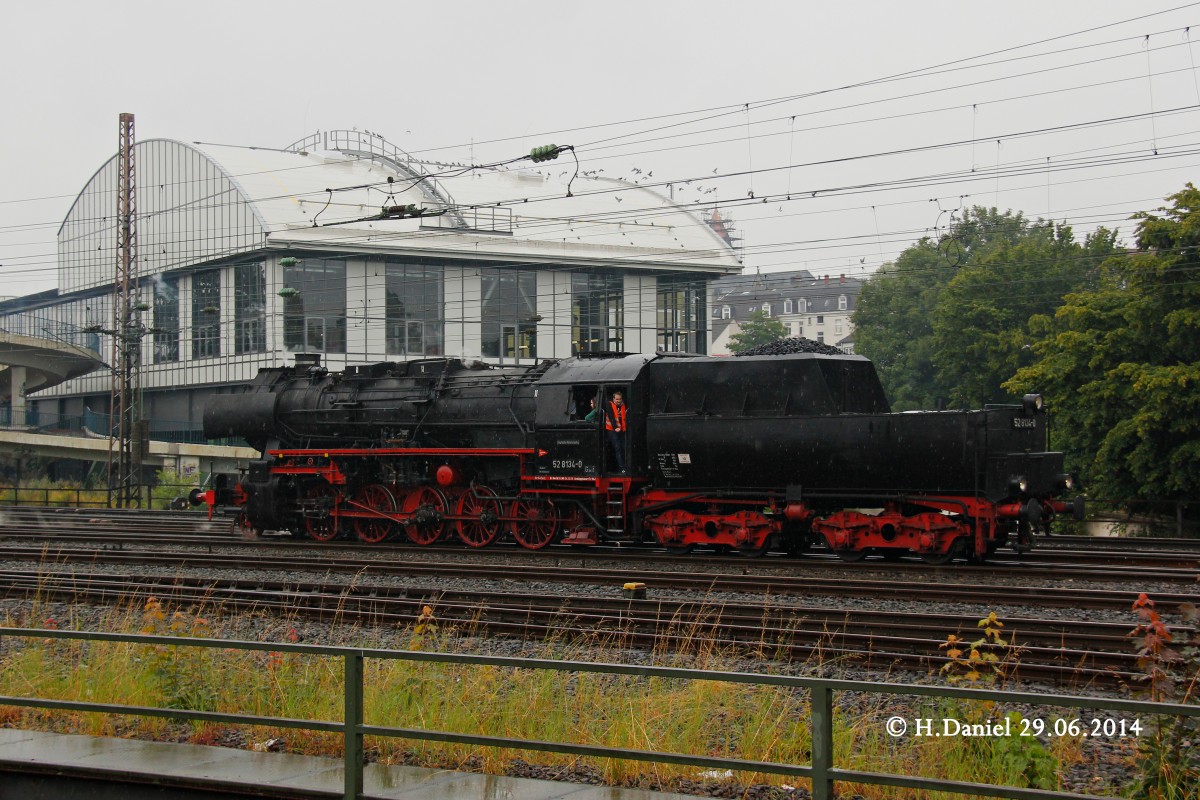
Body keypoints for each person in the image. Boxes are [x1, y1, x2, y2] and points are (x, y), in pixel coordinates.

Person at [604, 391, 627, 473]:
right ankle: (622, 468)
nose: (618, 401)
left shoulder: (623, 406)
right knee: (618, 448)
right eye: (617, 399)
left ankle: (625, 467)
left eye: (620, 399)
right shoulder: (609, 404)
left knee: (624, 448)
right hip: (611, 429)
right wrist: (615, 427)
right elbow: (611, 417)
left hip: (621, 430)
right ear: (613, 399)